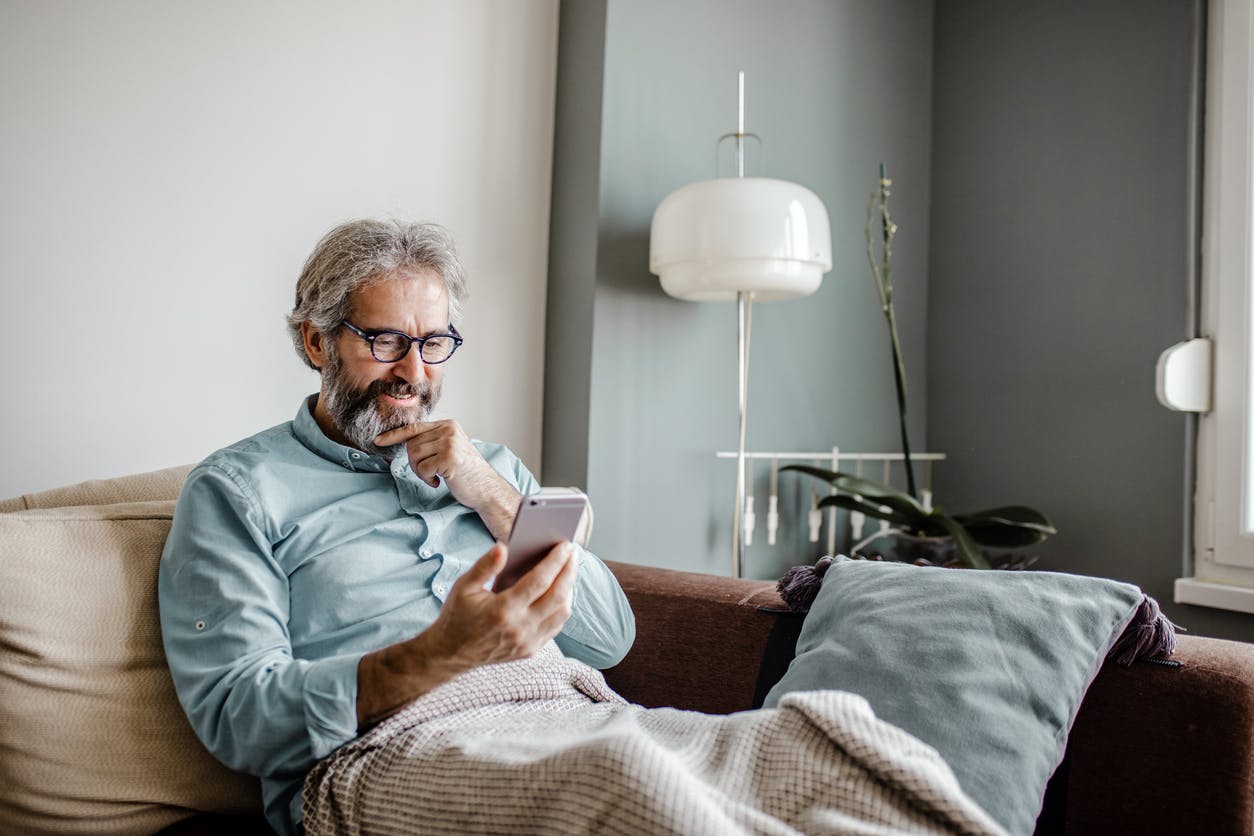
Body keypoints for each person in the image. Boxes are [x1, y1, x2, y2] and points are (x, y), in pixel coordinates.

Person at [158, 219, 636, 836]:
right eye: (385, 341)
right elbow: (239, 715)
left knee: (781, 763)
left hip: (565, 716)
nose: (412, 371)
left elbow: (610, 638)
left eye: (434, 343)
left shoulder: (491, 467)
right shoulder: (238, 491)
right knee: (630, 798)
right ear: (315, 343)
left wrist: (492, 495)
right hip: (382, 755)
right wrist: (441, 655)